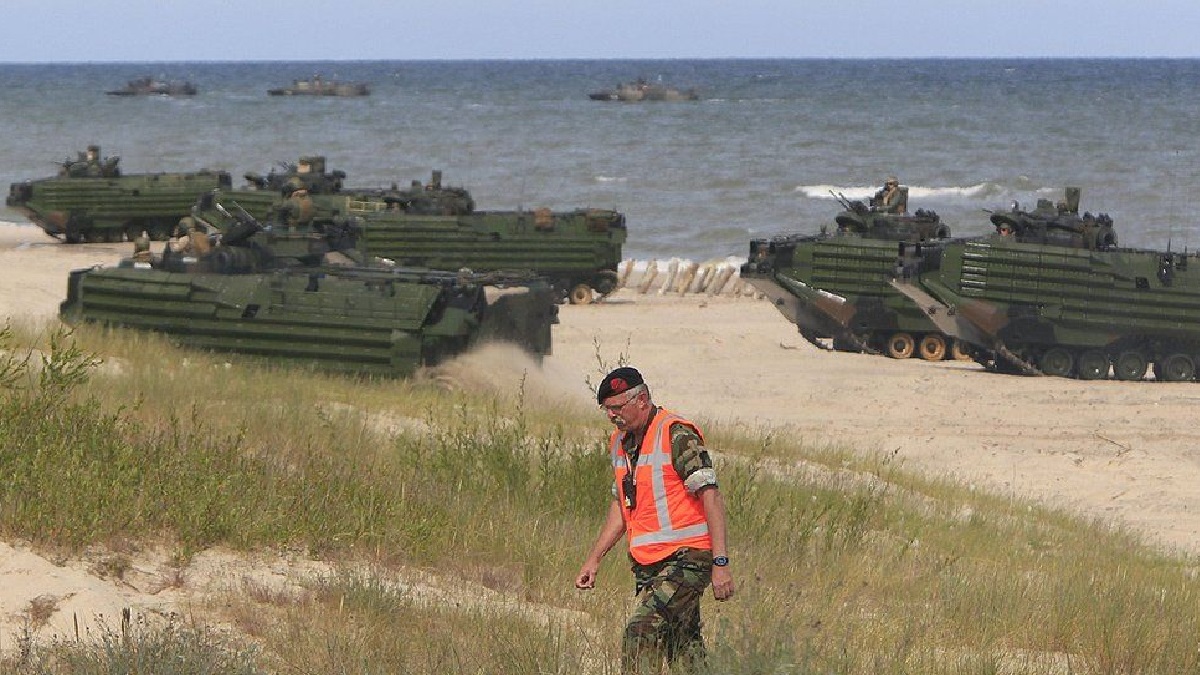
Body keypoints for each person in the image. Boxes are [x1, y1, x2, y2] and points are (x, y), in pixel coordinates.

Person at [576, 367, 735, 674]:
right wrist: (594, 559)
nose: (612, 416)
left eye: (617, 408)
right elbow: (622, 507)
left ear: (642, 400)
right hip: (651, 564)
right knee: (684, 646)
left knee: (641, 630)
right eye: (607, 410)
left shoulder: (676, 434)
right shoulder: (620, 444)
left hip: (688, 559)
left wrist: (721, 563)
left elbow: (711, 496)